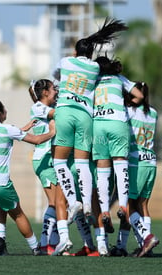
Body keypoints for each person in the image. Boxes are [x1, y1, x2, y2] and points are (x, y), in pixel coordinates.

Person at [51, 18, 128, 255]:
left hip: (64, 112)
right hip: (85, 116)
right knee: (83, 163)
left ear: (75, 51)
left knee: (59, 161)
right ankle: (85, 205)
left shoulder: (66, 61)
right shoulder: (94, 68)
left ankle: (74, 199)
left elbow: (57, 75)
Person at [0, 99, 55, 256]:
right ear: (0, 113)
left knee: (2, 205)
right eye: (4, 109)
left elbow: (4, 136)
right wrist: (52, 131)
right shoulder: (8, 129)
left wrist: (25, 128)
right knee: (18, 213)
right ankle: (36, 248)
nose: (6, 110)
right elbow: (36, 140)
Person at [92, 56, 143, 241]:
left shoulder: (93, 80)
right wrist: (126, 102)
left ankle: (104, 210)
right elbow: (139, 95)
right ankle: (122, 206)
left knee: (102, 171)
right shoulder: (119, 79)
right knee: (120, 166)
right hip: (117, 123)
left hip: (98, 125)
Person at [118, 82, 160, 258]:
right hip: (151, 162)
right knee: (142, 205)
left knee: (128, 206)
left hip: (136, 163)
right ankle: (125, 246)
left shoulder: (128, 111)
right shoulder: (154, 113)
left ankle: (146, 239)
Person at [28, 79, 60, 255]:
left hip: (51, 159)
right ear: (45, 92)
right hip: (43, 159)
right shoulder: (38, 108)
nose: (56, 91)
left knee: (58, 203)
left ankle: (52, 243)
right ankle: (44, 243)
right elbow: (57, 114)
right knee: (55, 203)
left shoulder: (44, 106)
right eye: (53, 89)